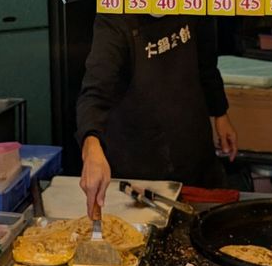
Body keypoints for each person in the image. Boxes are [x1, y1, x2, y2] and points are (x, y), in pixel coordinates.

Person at [77, 13, 238, 212]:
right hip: (140, 167)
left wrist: (220, 114)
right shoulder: (116, 16)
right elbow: (95, 92)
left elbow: (206, 65)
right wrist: (91, 145)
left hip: (194, 151)